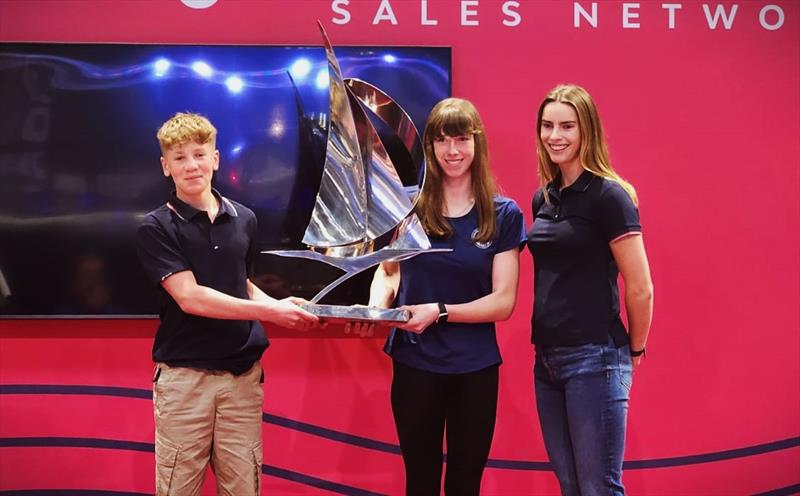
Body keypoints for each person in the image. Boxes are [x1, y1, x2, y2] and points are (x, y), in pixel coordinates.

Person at [136, 112, 318, 495]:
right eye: (180, 157)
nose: (191, 165)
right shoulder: (155, 227)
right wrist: (272, 312)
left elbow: (243, 286)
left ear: (215, 159)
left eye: (199, 154)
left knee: (243, 489)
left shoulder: (245, 219)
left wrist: (284, 305)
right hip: (185, 382)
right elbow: (190, 297)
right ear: (165, 166)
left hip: (242, 380)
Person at [354, 98, 525, 495]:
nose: (452, 151)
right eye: (442, 140)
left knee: (466, 484)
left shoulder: (503, 215)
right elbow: (387, 272)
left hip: (475, 368)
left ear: (477, 144)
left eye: (462, 139)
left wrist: (441, 311)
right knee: (421, 481)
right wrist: (377, 307)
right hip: (415, 362)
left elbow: (503, 301)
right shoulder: (407, 208)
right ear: (428, 145)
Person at [526, 84, 654, 495]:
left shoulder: (610, 196)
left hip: (595, 358)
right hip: (546, 362)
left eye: (567, 126)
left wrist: (633, 351)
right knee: (571, 486)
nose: (555, 136)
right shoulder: (543, 197)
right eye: (547, 126)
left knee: (598, 488)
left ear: (587, 132)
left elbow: (640, 287)